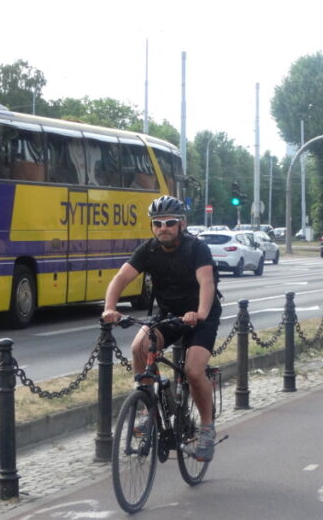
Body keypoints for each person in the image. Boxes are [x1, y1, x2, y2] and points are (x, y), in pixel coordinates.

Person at [102, 195, 221, 462]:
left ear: (182, 224)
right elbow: (121, 278)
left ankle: (206, 428)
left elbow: (206, 283)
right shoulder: (148, 250)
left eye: (169, 222)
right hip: (168, 314)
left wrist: (200, 313)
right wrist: (110, 308)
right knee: (139, 346)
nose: (162, 228)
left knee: (192, 370)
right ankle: (147, 408)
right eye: (157, 223)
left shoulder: (197, 249)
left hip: (202, 315)